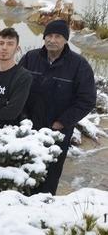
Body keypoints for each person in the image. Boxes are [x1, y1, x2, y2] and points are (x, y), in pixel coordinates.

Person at [20, 20, 96, 194]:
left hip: (58, 131)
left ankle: (44, 208)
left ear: (65, 40)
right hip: (28, 127)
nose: (52, 40)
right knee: (24, 171)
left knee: (50, 174)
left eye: (58, 36)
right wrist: (23, 118)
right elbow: (18, 89)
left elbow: (87, 99)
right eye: (49, 36)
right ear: (44, 37)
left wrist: (62, 122)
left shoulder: (79, 65)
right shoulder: (30, 58)